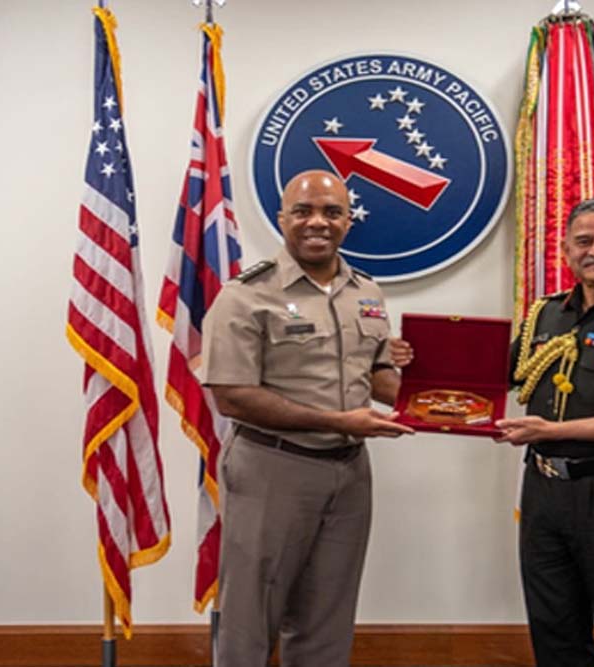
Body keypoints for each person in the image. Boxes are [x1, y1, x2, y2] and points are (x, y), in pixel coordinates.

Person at [393, 197, 594, 667]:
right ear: (566, 251)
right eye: (584, 241)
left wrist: (553, 429)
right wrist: (416, 362)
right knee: (554, 628)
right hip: (543, 491)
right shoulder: (546, 314)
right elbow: (487, 380)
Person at [198, 169, 413, 667]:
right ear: (282, 219)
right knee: (251, 614)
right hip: (273, 467)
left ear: (348, 220)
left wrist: (447, 399)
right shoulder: (246, 294)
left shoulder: (366, 291)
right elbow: (232, 397)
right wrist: (341, 422)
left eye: (332, 212)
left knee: (327, 614)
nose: (318, 222)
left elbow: (377, 377)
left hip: (349, 472)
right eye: (304, 211)